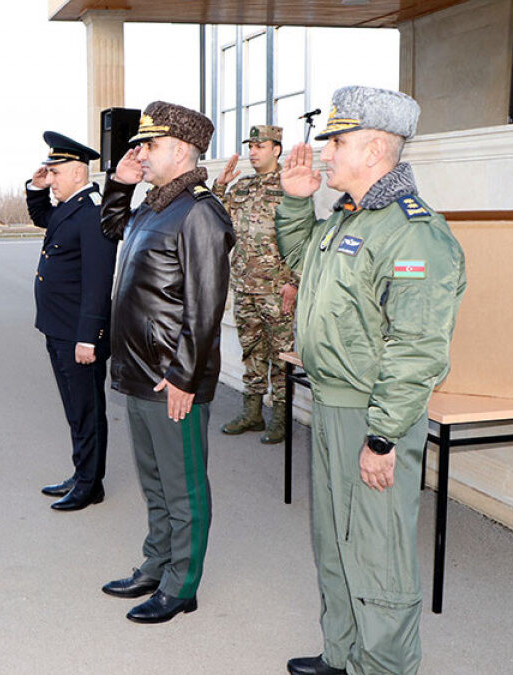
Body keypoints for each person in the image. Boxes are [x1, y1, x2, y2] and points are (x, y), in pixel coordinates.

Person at [276, 86, 466, 675]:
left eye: (337, 140)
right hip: (332, 403)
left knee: (378, 554)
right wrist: (293, 205)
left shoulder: (413, 233)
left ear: (377, 147)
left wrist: (382, 437)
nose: (324, 152)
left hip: (373, 411)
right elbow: (302, 266)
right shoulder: (351, 216)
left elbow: (416, 350)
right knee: (335, 544)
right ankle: (343, 656)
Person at [98, 102, 234, 624]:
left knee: (184, 487)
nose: (141, 152)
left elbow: (204, 308)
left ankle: (182, 585)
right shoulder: (155, 206)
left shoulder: (199, 211)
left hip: (170, 377)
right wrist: (120, 182)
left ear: (180, 149)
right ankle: (156, 564)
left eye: (150, 145)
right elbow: (112, 230)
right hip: (137, 372)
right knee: (153, 480)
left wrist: (185, 377)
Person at [26, 131, 117, 511]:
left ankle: (89, 485)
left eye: (56, 172)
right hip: (57, 326)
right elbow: (43, 217)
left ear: (79, 173)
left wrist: (88, 338)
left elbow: (98, 282)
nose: (52, 179)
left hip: (78, 334)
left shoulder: (93, 212)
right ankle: (82, 472)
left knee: (87, 409)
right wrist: (36, 186)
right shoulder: (70, 207)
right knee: (74, 407)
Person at [212, 125, 298, 444]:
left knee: (281, 354)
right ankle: (252, 413)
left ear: (276, 149)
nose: (253, 151)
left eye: (260, 145)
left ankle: (281, 417)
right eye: (250, 145)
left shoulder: (290, 186)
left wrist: (294, 282)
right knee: (251, 351)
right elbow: (218, 219)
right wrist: (219, 187)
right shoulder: (242, 185)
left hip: (277, 289)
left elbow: (302, 238)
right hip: (245, 284)